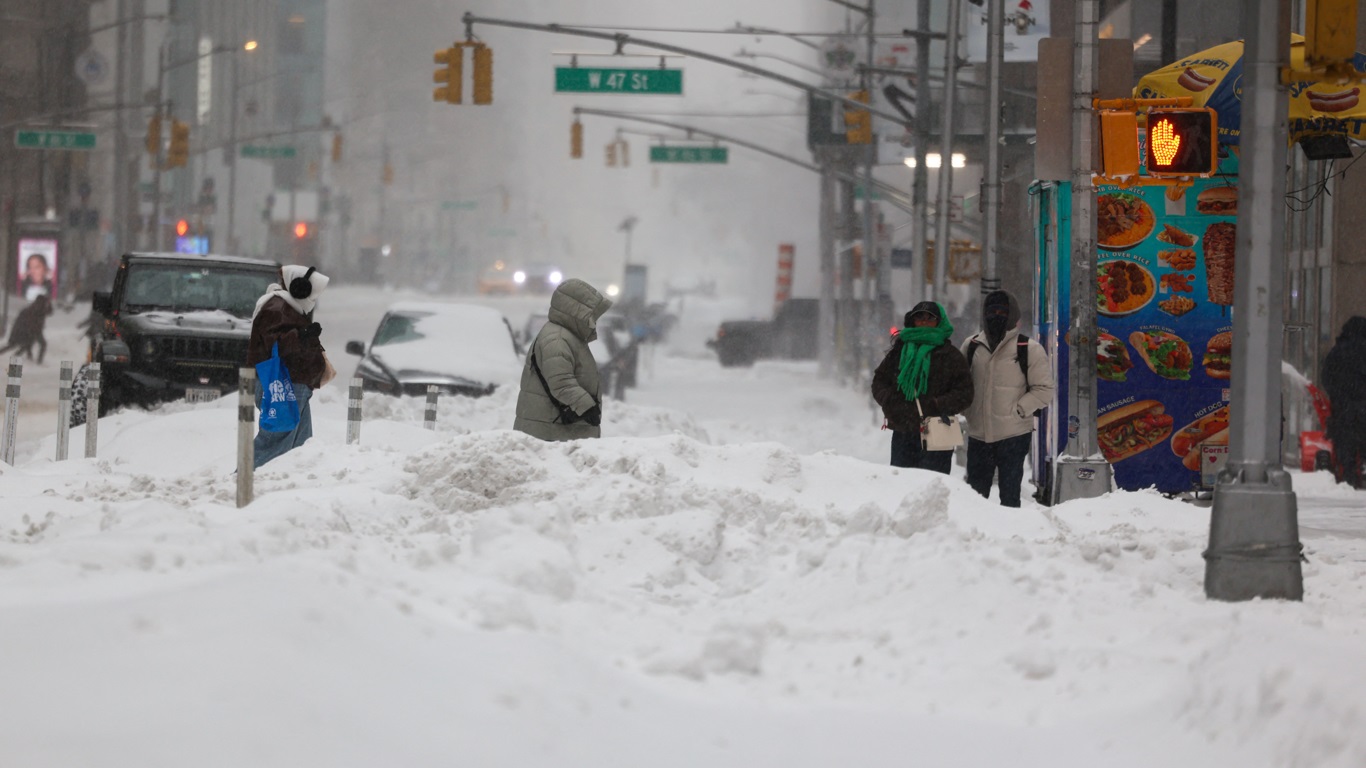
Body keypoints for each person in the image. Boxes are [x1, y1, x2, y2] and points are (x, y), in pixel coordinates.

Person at [960, 289, 1055, 507]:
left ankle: (1010, 529)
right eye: (991, 311)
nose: (996, 316)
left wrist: (1019, 410)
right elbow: (960, 383)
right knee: (974, 500)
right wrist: (967, 409)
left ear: (1013, 315)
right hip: (978, 435)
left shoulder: (1028, 348)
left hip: (1014, 436)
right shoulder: (971, 346)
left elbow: (1044, 389)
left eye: (1002, 312)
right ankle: (977, 529)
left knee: (1010, 497)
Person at [871, 301, 974, 473]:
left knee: (932, 484)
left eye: (930, 318)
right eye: (919, 317)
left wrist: (937, 404)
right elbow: (879, 381)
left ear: (939, 322)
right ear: (912, 321)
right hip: (903, 431)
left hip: (937, 432)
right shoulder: (900, 351)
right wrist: (890, 401)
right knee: (902, 483)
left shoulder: (950, 355)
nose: (924, 322)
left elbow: (965, 393)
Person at [246, 265, 330, 468]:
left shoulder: (288, 308)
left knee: (299, 449)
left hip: (294, 385)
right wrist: (302, 335)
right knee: (273, 446)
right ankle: (243, 478)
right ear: (300, 288)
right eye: (312, 293)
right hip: (284, 385)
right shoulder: (277, 309)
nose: (313, 299)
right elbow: (276, 344)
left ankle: (286, 482)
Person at [514, 278, 612, 441]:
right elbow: (561, 382)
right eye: (591, 315)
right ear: (577, 312)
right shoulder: (557, 339)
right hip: (550, 435)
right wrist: (587, 408)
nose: (594, 322)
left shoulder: (566, 336)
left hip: (554, 431)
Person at [1321, 316, 1366, 489]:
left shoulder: (1337, 352)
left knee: (1345, 440)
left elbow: (1326, 377)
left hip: (1343, 407)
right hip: (1363, 406)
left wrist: (1338, 394)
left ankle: (1348, 474)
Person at [0, 293, 53, 363]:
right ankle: (33, 361)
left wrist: (49, 303)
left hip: (33, 331)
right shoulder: (34, 309)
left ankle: (30, 360)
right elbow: (30, 322)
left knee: (22, 346)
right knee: (22, 345)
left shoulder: (37, 308)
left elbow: (49, 312)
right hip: (28, 331)